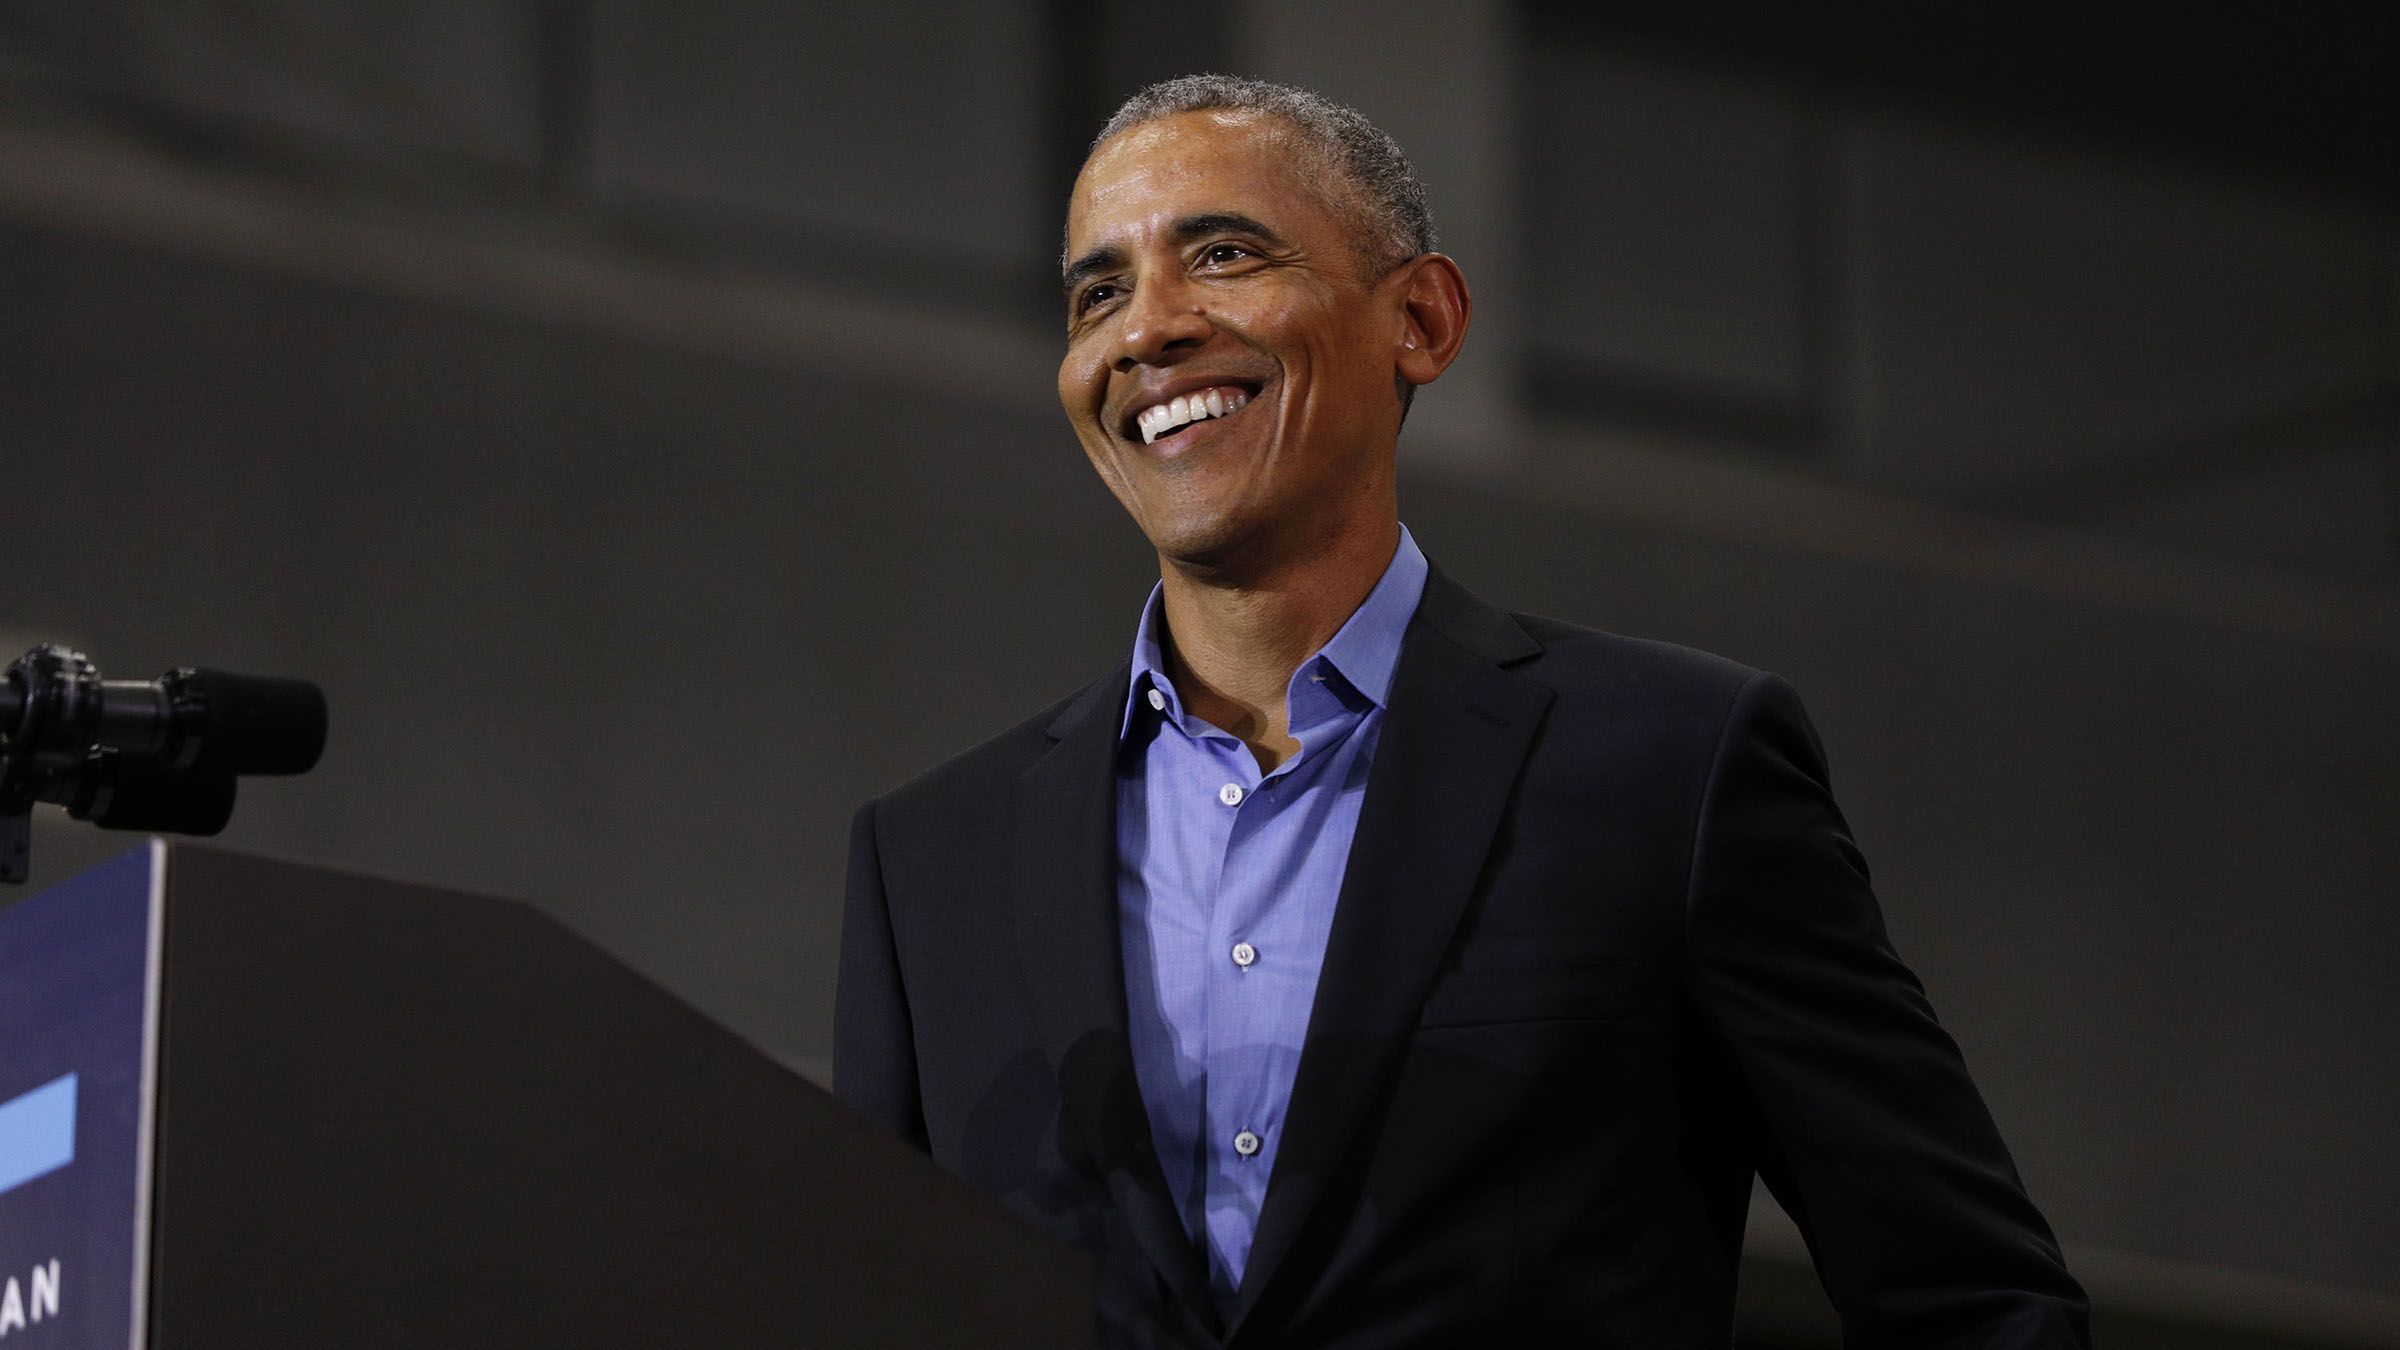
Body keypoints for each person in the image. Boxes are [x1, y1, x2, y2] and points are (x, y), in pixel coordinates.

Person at [835, 74, 2089, 1348]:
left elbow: (1974, 1300)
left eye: (1221, 255)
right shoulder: (929, 860)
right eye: (1098, 293)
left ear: (1421, 321)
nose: (1146, 329)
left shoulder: (1671, 766)